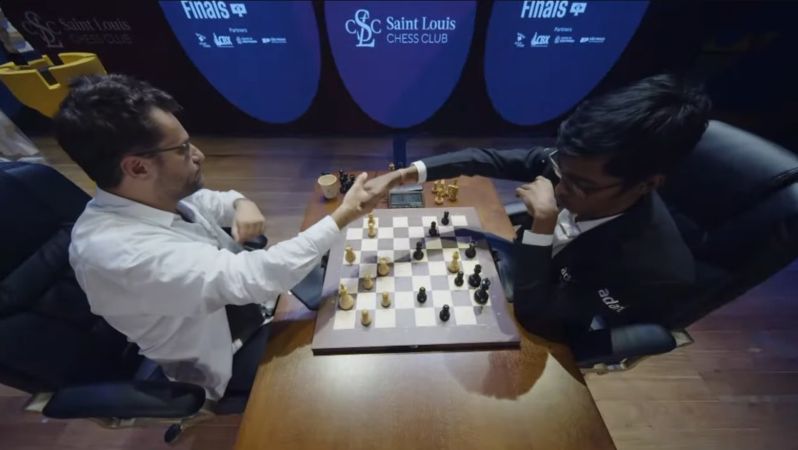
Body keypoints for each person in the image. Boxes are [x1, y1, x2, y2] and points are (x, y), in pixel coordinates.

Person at [54, 74, 378, 400]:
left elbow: (217, 202)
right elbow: (255, 277)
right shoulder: (120, 254)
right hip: (228, 353)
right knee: (348, 367)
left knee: (357, 294)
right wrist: (344, 214)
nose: (199, 155)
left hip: (262, 305)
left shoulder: (149, 195)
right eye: (182, 149)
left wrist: (241, 203)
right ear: (138, 168)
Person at [366, 74, 712, 341]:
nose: (559, 188)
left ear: (647, 184)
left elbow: (538, 316)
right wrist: (404, 175)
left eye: (581, 185)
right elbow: (484, 159)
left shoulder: (652, 268)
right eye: (560, 168)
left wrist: (543, 226)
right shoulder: (576, 167)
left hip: (546, 325)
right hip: (520, 272)